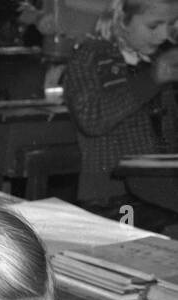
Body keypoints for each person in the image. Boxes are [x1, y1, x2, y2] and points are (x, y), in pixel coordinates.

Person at [63, 0, 178, 218]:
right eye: (153, 26)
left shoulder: (156, 59)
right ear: (122, 21)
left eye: (172, 24)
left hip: (160, 189)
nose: (164, 35)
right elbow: (93, 120)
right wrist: (153, 78)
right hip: (111, 197)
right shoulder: (90, 58)